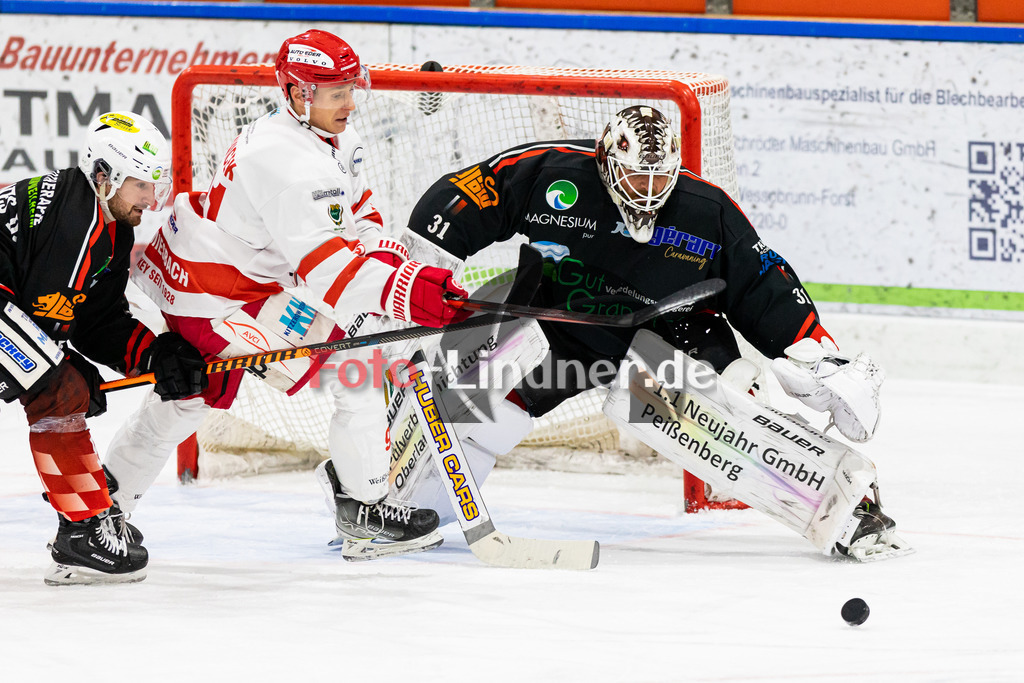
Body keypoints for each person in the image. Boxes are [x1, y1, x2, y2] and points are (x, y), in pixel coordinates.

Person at [390, 104, 903, 561]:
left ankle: (850, 509)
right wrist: (422, 272)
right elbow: (466, 195)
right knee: (487, 416)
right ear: (606, 161)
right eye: (637, 179)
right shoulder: (552, 174)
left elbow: (763, 281)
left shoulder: (707, 212)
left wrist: (817, 355)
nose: (650, 192)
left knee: (729, 413)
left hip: (675, 330)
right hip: (561, 325)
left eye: (661, 180)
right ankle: (406, 512)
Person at [103, 29, 467, 562]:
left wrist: (399, 271)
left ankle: (364, 507)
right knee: (193, 398)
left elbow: (362, 221)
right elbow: (329, 274)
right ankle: (100, 512)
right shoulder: (283, 161)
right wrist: (412, 290)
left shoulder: (335, 139)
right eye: (335, 91)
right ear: (299, 94)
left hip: (250, 281)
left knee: (355, 357)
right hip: (207, 291)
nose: (349, 102)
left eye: (349, 88)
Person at [0, 111, 208, 585]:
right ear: (103, 176)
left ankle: (87, 520)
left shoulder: (110, 224)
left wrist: (156, 355)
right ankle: (82, 530)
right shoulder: (71, 223)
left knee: (59, 382)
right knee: (58, 389)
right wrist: (64, 367)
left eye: (156, 186)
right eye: (142, 186)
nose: (152, 201)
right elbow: (41, 335)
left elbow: (96, 321)